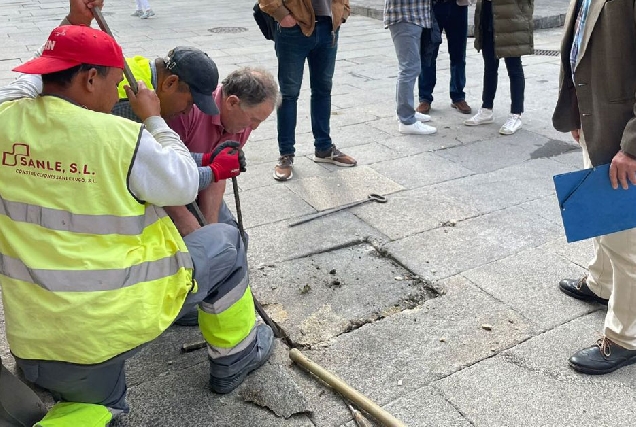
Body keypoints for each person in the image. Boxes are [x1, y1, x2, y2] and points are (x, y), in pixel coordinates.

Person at [0, 2, 273, 426]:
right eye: (113, 82)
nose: (119, 94)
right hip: (110, 321)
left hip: (35, 333)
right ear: (91, 78)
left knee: (97, 408)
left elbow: (37, 77)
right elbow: (182, 182)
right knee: (225, 242)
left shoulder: (4, 118)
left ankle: (89, 405)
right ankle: (237, 356)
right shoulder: (121, 138)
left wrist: (75, 23)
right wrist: (152, 118)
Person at [553, 0, 636, 375]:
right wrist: (577, 109)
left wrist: (633, 146)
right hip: (597, 119)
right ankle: (601, 282)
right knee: (603, 214)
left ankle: (626, 336)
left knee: (628, 240)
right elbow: (580, 43)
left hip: (625, 133)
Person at [167, 67, 279, 235]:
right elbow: (160, 171)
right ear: (232, 102)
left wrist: (210, 227)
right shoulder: (188, 109)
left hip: (199, 183)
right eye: (253, 119)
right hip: (165, 191)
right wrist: (182, 218)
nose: (254, 127)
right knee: (192, 246)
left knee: (234, 239)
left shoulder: (241, 121)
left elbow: (220, 173)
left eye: (259, 122)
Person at [258, 0, 357, 182]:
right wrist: (282, 15)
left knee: (323, 90)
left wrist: (342, 12)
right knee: (289, 94)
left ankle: (324, 148)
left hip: (329, 27)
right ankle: (286, 154)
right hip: (293, 28)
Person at [464, 0, 533, 135]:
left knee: (514, 69)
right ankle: (486, 109)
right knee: (489, 67)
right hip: (488, 16)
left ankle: (516, 114)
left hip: (510, 21)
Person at [385, 0, 438, 135]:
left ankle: (405, 113)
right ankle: (406, 120)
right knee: (409, 68)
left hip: (415, 16)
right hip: (406, 16)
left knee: (410, 67)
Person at [416, 0, 473, 116]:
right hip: (433, 6)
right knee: (428, 54)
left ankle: (458, 96)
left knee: (458, 54)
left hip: (458, 6)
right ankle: (425, 98)